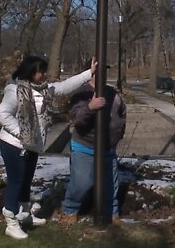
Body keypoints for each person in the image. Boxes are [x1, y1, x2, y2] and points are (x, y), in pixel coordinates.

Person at [0, 55, 97, 239]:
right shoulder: (14, 90)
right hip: (13, 145)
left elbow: (65, 86)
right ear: (30, 72)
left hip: (32, 145)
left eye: (44, 71)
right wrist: (23, 133)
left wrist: (88, 73)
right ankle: (11, 222)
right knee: (16, 182)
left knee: (26, 181)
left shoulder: (44, 90)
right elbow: (2, 115)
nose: (44, 75)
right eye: (40, 71)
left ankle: (25, 215)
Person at [59, 60, 126, 225]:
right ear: (91, 72)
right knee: (81, 183)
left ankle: (112, 212)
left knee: (111, 184)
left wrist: (117, 135)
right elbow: (78, 120)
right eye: (99, 72)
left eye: (105, 71)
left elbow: (121, 113)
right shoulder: (81, 93)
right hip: (85, 146)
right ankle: (70, 210)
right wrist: (90, 107)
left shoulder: (112, 93)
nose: (103, 75)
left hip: (107, 148)